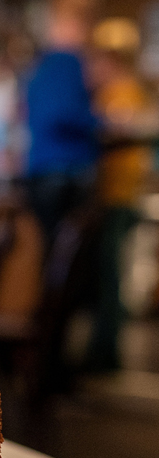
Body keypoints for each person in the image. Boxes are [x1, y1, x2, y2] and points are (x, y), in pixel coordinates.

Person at [85, 46, 157, 369]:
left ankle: (105, 353)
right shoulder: (124, 91)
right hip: (120, 194)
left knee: (109, 274)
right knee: (107, 273)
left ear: (109, 62)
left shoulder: (121, 91)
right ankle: (102, 349)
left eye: (96, 64)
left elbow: (118, 131)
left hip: (116, 195)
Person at [23, 0, 101, 245]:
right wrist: (103, 121)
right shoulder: (68, 60)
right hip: (67, 170)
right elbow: (61, 114)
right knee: (71, 262)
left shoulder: (39, 64)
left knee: (52, 252)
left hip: (40, 168)